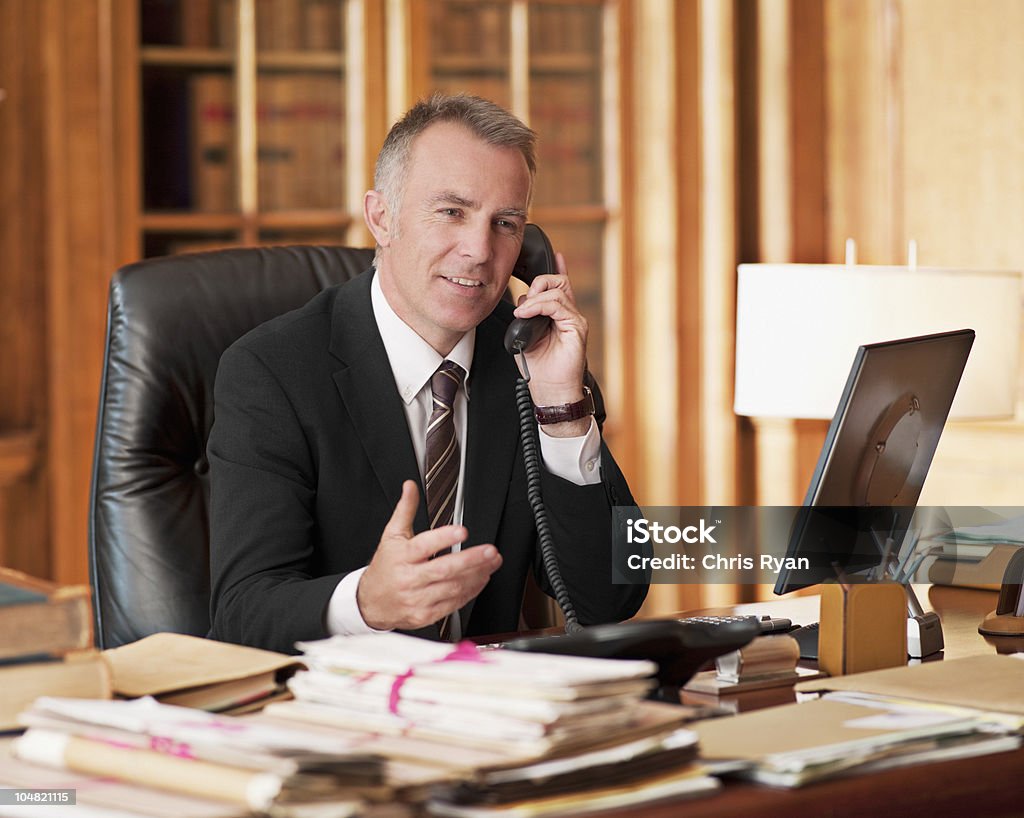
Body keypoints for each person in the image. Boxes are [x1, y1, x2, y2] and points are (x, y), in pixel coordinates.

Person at [208, 93, 646, 654]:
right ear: (382, 217)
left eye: (505, 223)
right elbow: (242, 611)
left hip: (486, 713)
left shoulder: (535, 367)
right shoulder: (271, 371)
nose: (479, 250)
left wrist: (561, 407)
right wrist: (367, 601)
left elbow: (611, 601)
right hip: (335, 712)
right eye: (451, 212)